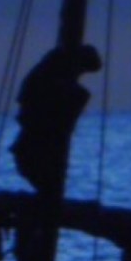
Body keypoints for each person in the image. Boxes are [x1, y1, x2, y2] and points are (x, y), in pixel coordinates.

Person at [9, 43, 102, 195]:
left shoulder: (48, 73)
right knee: (37, 168)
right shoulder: (49, 78)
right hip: (40, 131)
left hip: (42, 132)